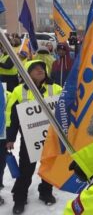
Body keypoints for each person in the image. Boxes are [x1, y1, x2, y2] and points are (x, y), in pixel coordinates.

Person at [6, 60, 62, 214]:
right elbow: (13, 117)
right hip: (29, 139)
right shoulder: (18, 91)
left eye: (42, 68)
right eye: (35, 69)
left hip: (51, 138)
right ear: (27, 73)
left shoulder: (56, 88)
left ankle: (46, 192)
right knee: (25, 170)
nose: (40, 71)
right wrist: (10, 138)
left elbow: (64, 111)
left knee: (49, 167)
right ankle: (19, 198)